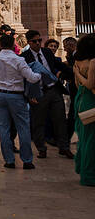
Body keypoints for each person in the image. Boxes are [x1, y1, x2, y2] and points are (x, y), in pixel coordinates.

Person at [0, 35, 39, 169]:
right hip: (16, 96)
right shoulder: (19, 60)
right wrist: (40, 74)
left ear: (0, 45)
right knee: (23, 127)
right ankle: (27, 160)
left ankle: (9, 160)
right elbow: (31, 78)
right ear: (14, 45)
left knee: (3, 128)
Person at [23, 30, 73, 158]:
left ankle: (64, 147)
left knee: (60, 119)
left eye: (40, 40)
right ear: (29, 42)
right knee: (38, 122)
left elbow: (59, 66)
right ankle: (41, 148)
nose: (38, 43)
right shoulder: (24, 57)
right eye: (35, 41)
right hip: (38, 93)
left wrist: (73, 73)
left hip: (54, 90)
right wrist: (28, 95)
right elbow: (23, 79)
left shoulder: (46, 53)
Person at [71, 36, 95, 187]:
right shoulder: (93, 62)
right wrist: (81, 75)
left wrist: (77, 73)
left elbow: (77, 84)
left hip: (81, 99)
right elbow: (89, 84)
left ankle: (83, 169)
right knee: (91, 139)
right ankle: (89, 175)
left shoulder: (77, 62)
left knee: (85, 137)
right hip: (90, 101)